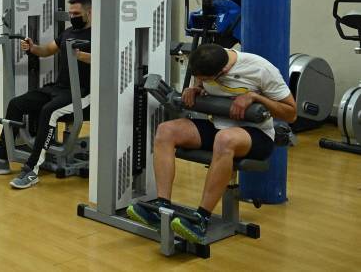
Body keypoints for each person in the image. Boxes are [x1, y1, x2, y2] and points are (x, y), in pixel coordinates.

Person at [127, 43, 296, 243]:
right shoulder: (206, 61)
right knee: (166, 130)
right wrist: (195, 88)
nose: (200, 80)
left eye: (204, 79)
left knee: (224, 139)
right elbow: (204, 84)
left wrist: (255, 97)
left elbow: (291, 113)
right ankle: (162, 207)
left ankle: (201, 219)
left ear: (223, 71)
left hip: (256, 135)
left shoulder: (261, 69)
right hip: (216, 125)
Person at [0, 0, 92, 189]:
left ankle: (31, 170)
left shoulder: (98, 35)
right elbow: (46, 51)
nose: (73, 17)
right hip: (59, 88)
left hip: (82, 93)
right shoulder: (67, 32)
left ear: (90, 12)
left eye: (76, 13)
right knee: (16, 104)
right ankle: (1, 159)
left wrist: (81, 55)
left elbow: (104, 60)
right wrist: (32, 48)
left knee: (49, 111)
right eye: (70, 13)